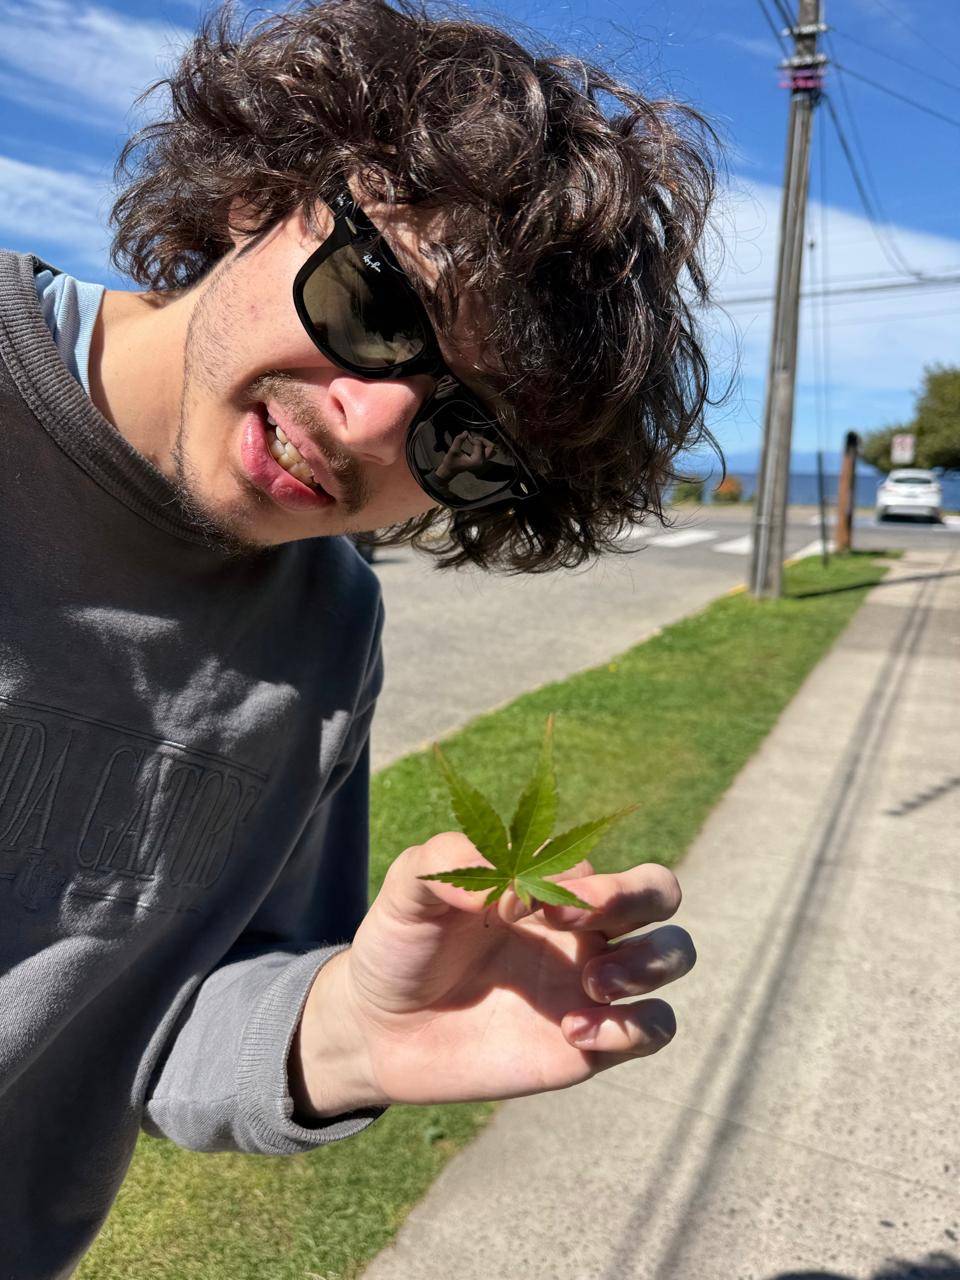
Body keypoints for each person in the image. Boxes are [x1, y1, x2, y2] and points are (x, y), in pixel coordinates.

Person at [0, 0, 718, 1273]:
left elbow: (150, 1020)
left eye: (467, 435)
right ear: (258, 191)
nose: (374, 422)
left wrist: (347, 1030)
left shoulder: (329, 631)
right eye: (378, 302)